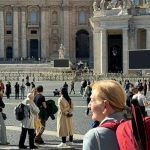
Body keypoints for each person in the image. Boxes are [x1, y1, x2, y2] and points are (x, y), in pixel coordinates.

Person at [83, 80, 126, 150]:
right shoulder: (135, 126)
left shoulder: (95, 136)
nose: (88, 105)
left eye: (92, 100)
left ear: (105, 105)